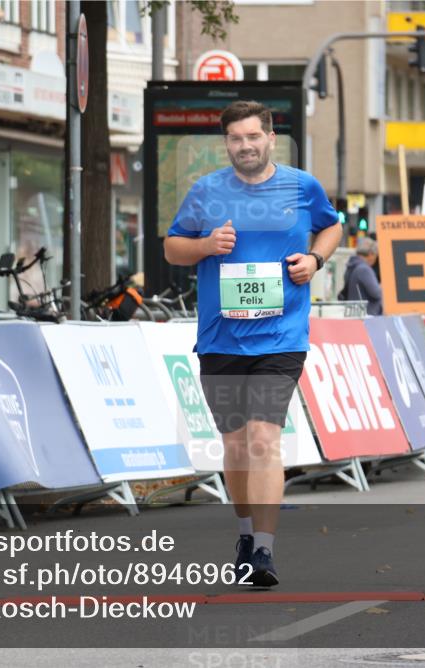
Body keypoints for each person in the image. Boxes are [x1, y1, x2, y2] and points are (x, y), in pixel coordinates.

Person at [163, 100, 342, 587]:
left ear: (270, 138)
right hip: (221, 338)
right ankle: (244, 533)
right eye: (236, 139)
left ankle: (263, 551)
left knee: (264, 440)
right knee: (237, 445)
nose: (245, 146)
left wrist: (315, 260)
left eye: (253, 137)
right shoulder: (206, 191)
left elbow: (332, 224)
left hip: (281, 336)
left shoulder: (302, 186)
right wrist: (204, 246)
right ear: (227, 144)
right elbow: (172, 246)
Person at [343, 238, 383, 315]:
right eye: (376, 255)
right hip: (368, 315)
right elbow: (377, 293)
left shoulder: (351, 266)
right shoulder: (364, 269)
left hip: (356, 313)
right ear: (371, 254)